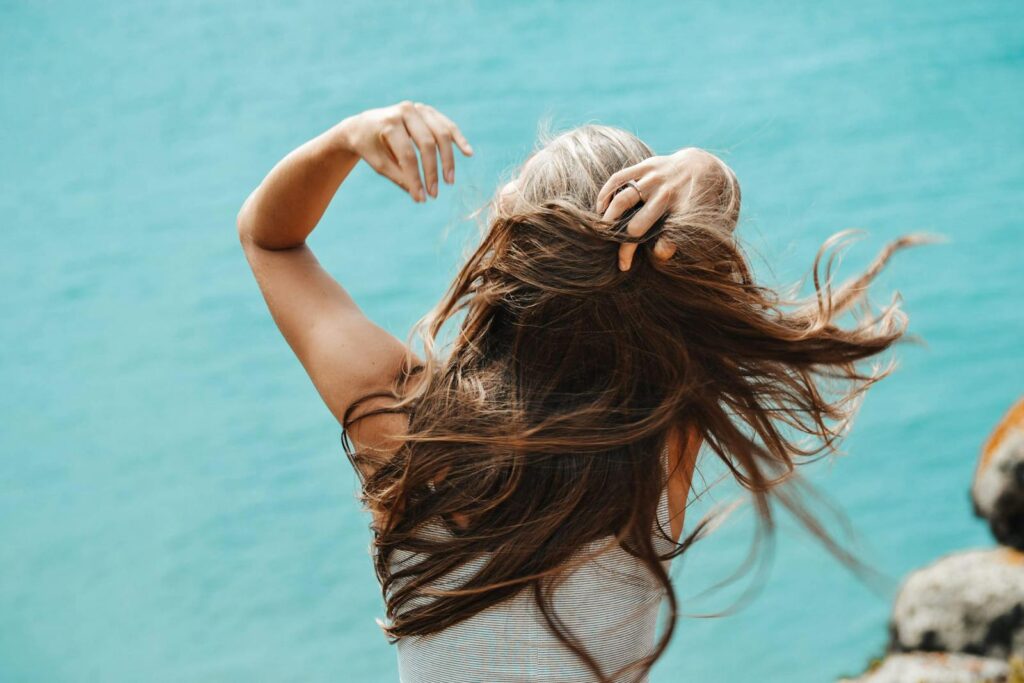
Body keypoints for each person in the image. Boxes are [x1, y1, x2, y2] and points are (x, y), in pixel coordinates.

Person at [237, 101, 927, 682]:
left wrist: (346, 138)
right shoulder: (663, 444)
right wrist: (714, 178)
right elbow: (686, 275)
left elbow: (270, 240)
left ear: (511, 257)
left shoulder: (407, 428)